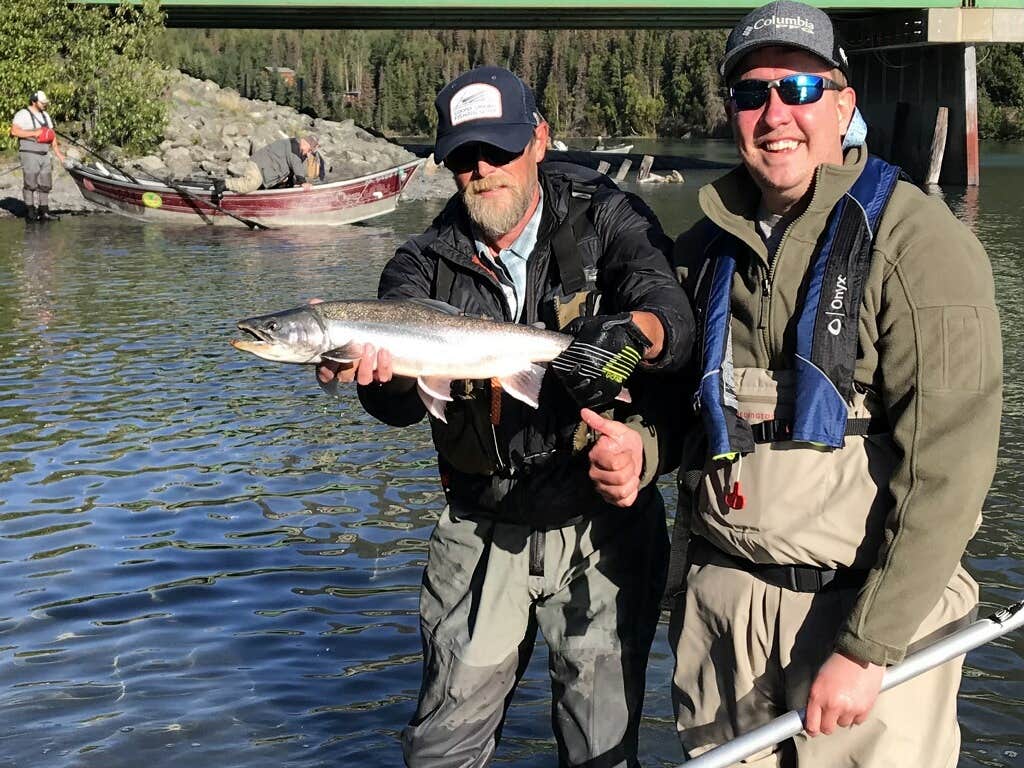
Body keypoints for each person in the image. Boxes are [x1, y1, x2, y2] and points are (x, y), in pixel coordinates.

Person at [318, 65, 695, 767]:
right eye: (463, 157)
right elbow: (396, 407)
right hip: (481, 522)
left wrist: (636, 336)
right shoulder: (421, 261)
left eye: (498, 148)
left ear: (540, 140)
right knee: (440, 750)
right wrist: (377, 379)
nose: (482, 170)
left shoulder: (608, 219)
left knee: (601, 750)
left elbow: (671, 316)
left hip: (602, 523)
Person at [668, 1, 1002, 765]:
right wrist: (634, 447)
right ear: (731, 112)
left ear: (845, 102)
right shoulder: (701, 249)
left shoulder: (923, 245)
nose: (775, 114)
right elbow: (679, 413)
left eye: (801, 89)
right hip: (724, 620)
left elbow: (950, 470)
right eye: (752, 94)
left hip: (865, 625)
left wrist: (868, 646)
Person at [9, 91, 65, 222]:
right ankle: (30, 212)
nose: (45, 104)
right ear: (34, 101)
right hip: (29, 153)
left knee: (45, 183)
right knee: (30, 183)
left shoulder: (46, 115)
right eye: (42, 102)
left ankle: (44, 211)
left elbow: (52, 135)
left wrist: (59, 154)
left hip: (45, 154)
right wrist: (34, 133)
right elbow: (14, 131)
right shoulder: (22, 114)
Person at [215, 134, 320, 196]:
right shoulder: (295, 148)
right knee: (252, 184)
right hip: (258, 165)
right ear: (306, 143)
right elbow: (297, 166)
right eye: (310, 150)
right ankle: (224, 184)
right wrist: (302, 182)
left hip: (267, 171)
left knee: (281, 185)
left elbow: (292, 169)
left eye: (311, 152)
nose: (309, 153)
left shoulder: (299, 149)